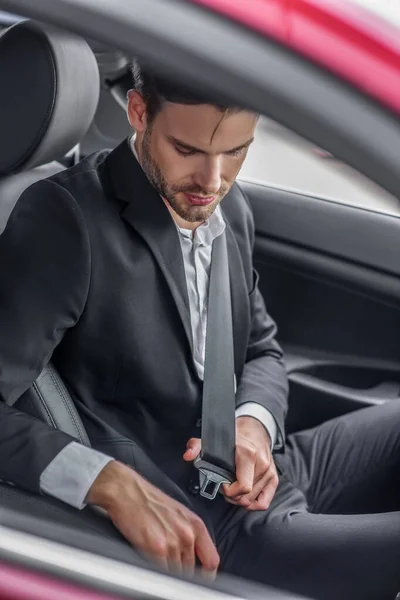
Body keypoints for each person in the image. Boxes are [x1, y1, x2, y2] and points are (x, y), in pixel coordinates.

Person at [0, 60, 399, 600]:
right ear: (138, 113)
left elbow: (262, 350)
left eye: (235, 151)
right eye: (187, 150)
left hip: (270, 470)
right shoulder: (66, 219)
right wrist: (107, 483)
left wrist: (253, 426)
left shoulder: (229, 209)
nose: (212, 181)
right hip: (207, 530)